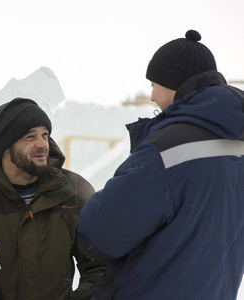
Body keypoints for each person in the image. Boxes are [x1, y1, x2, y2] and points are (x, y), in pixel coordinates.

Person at [77, 30, 244, 300]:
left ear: (173, 84)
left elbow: (98, 236)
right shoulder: (236, 138)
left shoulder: (168, 150)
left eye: (154, 83)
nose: (152, 94)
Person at [0, 97, 105, 299]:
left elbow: (100, 266)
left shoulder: (73, 190)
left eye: (45, 135)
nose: (42, 144)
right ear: (5, 146)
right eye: (30, 137)